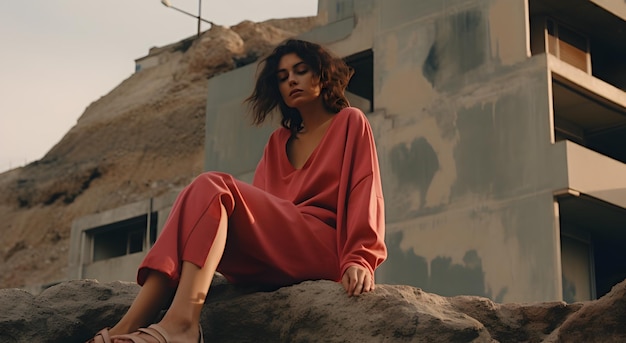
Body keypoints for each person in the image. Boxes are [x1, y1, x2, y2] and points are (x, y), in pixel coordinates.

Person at [88, 39, 387, 343]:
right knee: (196, 197)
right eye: (282, 78)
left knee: (210, 185)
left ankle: (181, 326)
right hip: (278, 252)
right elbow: (263, 214)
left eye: (301, 71)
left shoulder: (350, 121)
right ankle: (125, 329)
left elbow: (365, 191)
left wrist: (360, 259)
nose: (292, 81)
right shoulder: (277, 142)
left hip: (322, 249)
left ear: (322, 75)